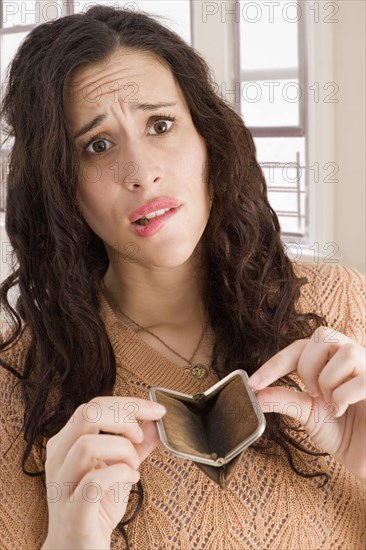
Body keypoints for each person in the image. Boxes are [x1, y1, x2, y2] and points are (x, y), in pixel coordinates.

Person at [0, 5, 365, 550]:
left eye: (161, 124)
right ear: (61, 187)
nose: (142, 172)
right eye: (97, 144)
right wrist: (73, 539)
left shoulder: (347, 306)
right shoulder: (17, 391)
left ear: (208, 140)